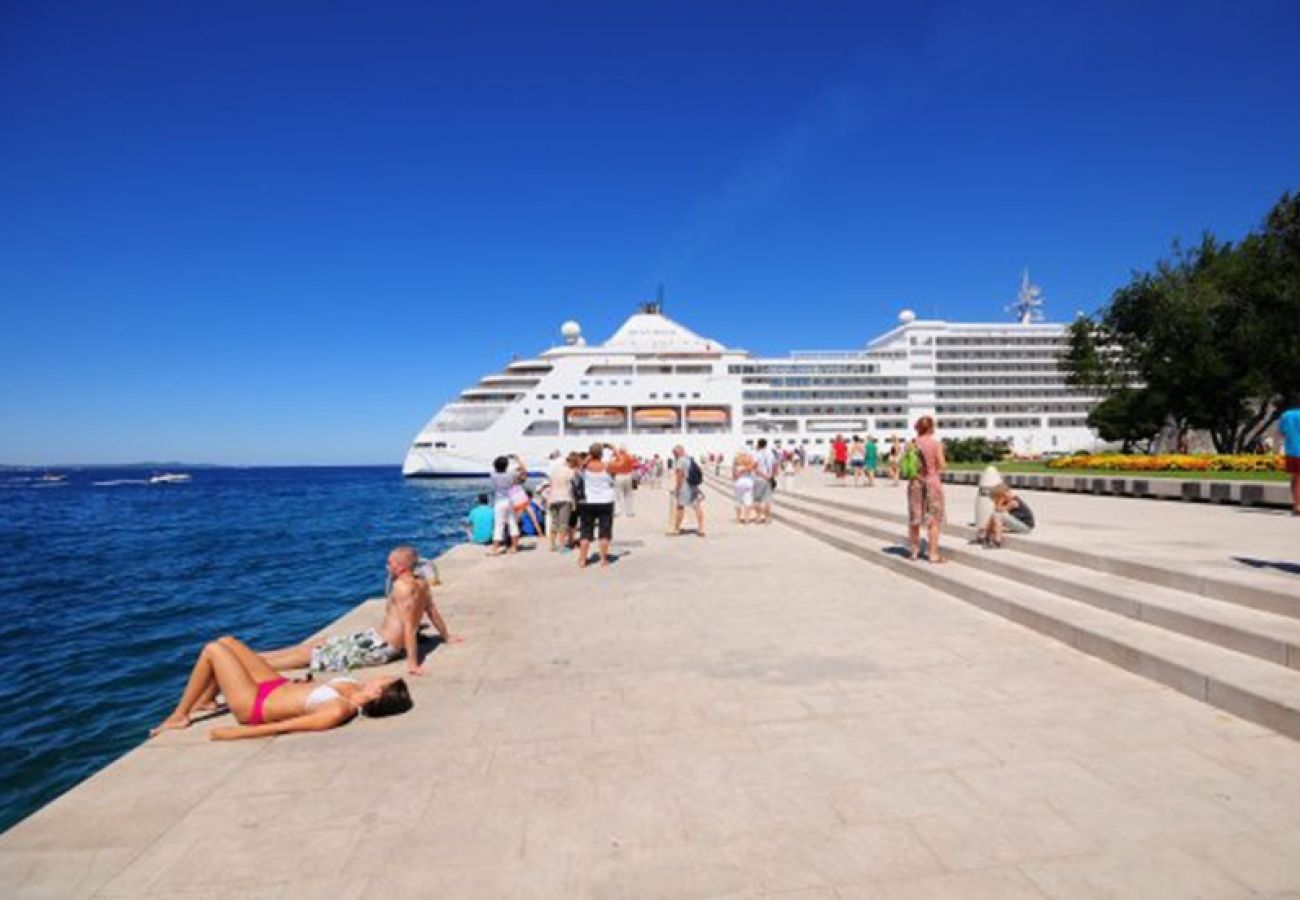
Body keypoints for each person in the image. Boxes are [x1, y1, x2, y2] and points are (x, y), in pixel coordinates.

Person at [150, 635, 412, 740]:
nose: (380, 677)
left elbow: (283, 727)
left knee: (213, 650)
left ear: (378, 693)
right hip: (276, 685)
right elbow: (313, 690)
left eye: (383, 680)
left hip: (254, 705)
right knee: (228, 642)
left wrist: (231, 734)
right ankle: (206, 700)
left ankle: (180, 715)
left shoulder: (339, 710)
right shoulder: (352, 686)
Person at [258, 546, 459, 678]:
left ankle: (253, 664)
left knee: (311, 656)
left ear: (399, 567)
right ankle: (256, 657)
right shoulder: (422, 583)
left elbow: (409, 627)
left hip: (379, 647)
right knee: (319, 644)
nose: (386, 566)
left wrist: (412, 664)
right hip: (373, 638)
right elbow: (432, 611)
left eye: (389, 563)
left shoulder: (402, 589)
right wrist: (446, 636)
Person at [906, 417, 947, 563]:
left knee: (915, 518)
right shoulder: (936, 444)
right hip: (932, 482)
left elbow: (905, 465)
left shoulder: (910, 445)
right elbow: (942, 464)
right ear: (931, 428)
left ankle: (914, 552)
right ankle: (933, 554)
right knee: (933, 519)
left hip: (915, 483)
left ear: (917, 427)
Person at [577, 442, 616, 567]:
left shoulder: (585, 468)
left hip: (589, 501)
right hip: (605, 501)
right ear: (601, 454)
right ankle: (603, 559)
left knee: (585, 531)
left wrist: (590, 456)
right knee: (604, 531)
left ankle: (583, 559)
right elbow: (619, 460)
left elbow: (579, 466)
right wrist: (612, 448)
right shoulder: (607, 466)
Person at [488, 454, 523, 555]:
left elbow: (495, 468)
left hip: (499, 501)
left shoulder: (493, 474)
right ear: (506, 466)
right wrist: (517, 459)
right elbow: (523, 470)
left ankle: (495, 549)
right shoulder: (511, 474)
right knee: (513, 523)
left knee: (499, 525)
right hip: (511, 500)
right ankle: (514, 547)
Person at [669, 444, 706, 536]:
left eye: (674, 453)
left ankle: (676, 529)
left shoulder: (680, 461)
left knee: (680, 506)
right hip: (693, 485)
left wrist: (676, 489)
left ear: (677, 453)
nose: (674, 455)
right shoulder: (690, 459)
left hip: (684, 487)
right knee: (697, 506)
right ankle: (701, 528)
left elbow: (680, 476)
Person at [547, 452, 577, 551]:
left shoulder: (554, 471)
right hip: (565, 498)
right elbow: (574, 486)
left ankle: (552, 545)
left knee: (554, 522)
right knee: (563, 523)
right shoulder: (571, 472)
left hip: (553, 498)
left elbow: (550, 485)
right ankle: (562, 545)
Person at [1281, 400, 1300, 516]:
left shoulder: (1287, 415)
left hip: (1291, 450)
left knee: (1295, 477)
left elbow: (1282, 432)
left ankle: (1296, 504)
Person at [752, 437, 777, 524]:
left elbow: (755, 468)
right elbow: (775, 466)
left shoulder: (756, 454)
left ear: (758, 444)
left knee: (756, 500)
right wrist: (771, 476)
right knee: (767, 500)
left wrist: (765, 476)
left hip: (759, 479)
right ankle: (768, 518)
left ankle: (759, 517)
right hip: (769, 479)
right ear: (766, 445)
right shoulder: (771, 454)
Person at [609, 446, 637, 517]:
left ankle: (619, 512)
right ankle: (629, 511)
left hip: (619, 476)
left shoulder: (617, 458)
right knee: (628, 495)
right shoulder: (629, 457)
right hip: (628, 476)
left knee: (618, 495)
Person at [732, 449, 756, 523]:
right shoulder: (750, 463)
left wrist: (739, 473)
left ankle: (738, 519)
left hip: (739, 483)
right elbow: (753, 470)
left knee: (738, 501)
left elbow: (734, 476)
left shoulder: (736, 464)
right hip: (748, 482)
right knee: (748, 501)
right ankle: (747, 519)